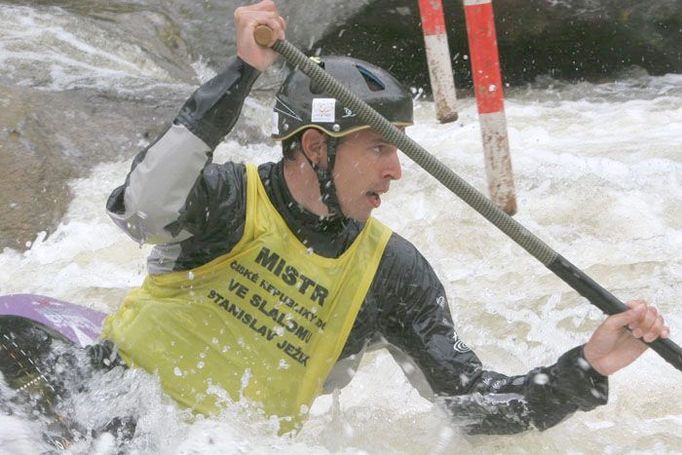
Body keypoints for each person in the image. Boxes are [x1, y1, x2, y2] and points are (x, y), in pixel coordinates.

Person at [100, 0, 670, 435]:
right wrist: (244, 71)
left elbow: (471, 407)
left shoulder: (392, 274)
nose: (396, 171)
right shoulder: (225, 200)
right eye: (377, 148)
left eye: (398, 150)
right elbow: (140, 208)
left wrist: (587, 368)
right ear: (317, 148)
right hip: (110, 404)